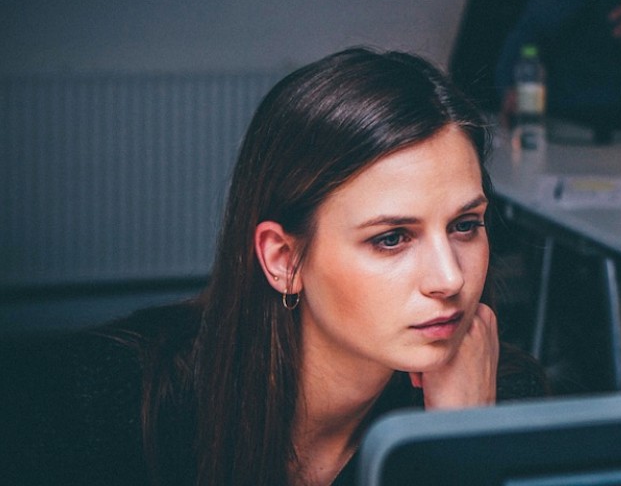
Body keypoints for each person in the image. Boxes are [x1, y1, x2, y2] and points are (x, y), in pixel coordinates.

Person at [28, 48, 546, 485]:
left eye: (464, 226)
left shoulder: (491, 396)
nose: (450, 279)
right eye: (391, 238)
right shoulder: (106, 401)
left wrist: (460, 444)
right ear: (284, 259)